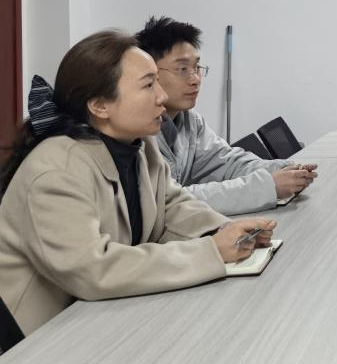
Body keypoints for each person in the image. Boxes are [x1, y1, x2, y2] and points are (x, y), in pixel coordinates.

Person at [0, 30, 275, 335]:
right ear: (99, 106)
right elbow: (92, 269)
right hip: (27, 340)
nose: (162, 96)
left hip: (95, 318)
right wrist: (210, 252)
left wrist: (224, 231)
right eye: (148, 85)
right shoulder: (57, 170)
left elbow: (171, 205)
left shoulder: (139, 145)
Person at [135, 17, 316, 216]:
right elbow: (169, 202)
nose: (195, 79)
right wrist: (268, 187)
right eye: (182, 69)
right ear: (150, 74)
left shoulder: (191, 121)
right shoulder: (136, 133)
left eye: (197, 68)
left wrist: (285, 169)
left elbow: (227, 163)